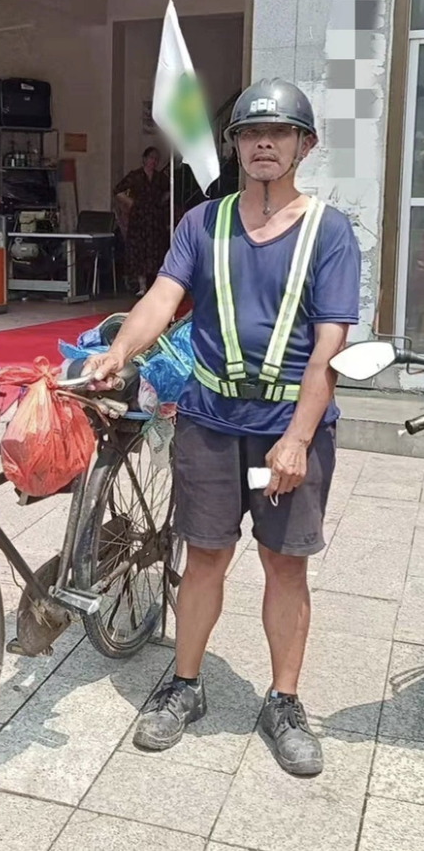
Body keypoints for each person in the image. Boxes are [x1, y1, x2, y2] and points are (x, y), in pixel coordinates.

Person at [86, 78, 361, 777]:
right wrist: (120, 349)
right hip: (209, 423)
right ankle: (185, 683)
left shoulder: (328, 231)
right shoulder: (201, 223)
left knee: (282, 560)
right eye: (249, 132)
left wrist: (298, 436)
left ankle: (283, 698)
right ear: (235, 145)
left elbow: (329, 344)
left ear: (305, 145)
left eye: (279, 131)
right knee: (204, 553)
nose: (263, 142)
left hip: (282, 432)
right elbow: (161, 299)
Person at [114, 146, 170, 296]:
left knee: (156, 250)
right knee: (139, 251)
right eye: (151, 158)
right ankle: (142, 285)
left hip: (155, 218)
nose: (154, 161)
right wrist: (131, 203)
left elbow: (169, 191)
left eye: (156, 159)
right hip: (139, 218)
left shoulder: (160, 178)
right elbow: (118, 190)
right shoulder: (136, 176)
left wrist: (161, 201)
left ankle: (156, 284)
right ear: (144, 159)